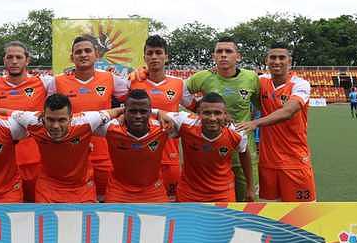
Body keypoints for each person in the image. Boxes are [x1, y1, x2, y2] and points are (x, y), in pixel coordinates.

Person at [4, 94, 123, 203]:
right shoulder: (32, 120)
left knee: (85, 225)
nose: (55, 126)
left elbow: (112, 112)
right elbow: (10, 113)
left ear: (71, 117)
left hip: (81, 187)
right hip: (48, 186)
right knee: (47, 225)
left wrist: (124, 114)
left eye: (61, 120)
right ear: (43, 116)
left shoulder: (87, 121)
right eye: (50, 119)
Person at [54, 35, 129, 200]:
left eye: (88, 51)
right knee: (75, 204)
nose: (83, 55)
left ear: (96, 54)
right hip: (71, 155)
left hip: (105, 154)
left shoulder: (110, 79)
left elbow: (134, 97)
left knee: (103, 201)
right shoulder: (57, 82)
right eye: (78, 52)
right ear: (71, 57)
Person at [185, 36, 259, 201]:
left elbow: (260, 105)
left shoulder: (251, 78)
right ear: (213, 57)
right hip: (212, 154)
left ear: (238, 56)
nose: (223, 55)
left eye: (228, 51)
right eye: (219, 51)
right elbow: (180, 91)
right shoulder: (203, 77)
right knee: (215, 204)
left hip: (243, 153)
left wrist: (251, 123)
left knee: (247, 205)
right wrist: (198, 108)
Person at [240, 43, 316, 202]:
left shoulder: (300, 84)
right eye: (273, 57)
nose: (277, 61)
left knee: (303, 214)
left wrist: (255, 123)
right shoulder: (260, 82)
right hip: (267, 163)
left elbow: (288, 112)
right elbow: (237, 79)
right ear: (266, 60)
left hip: (294, 161)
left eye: (282, 58)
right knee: (271, 214)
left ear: (289, 61)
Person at [127, 35, 194, 199]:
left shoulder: (179, 83)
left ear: (166, 56)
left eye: (158, 52)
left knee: (170, 205)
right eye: (150, 53)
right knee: (140, 202)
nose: (154, 57)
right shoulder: (132, 81)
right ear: (144, 57)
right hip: (139, 155)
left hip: (169, 155)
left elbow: (197, 107)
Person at [0, 41, 55, 201]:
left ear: (27, 60)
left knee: (37, 207)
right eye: (9, 57)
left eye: (18, 57)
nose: (14, 61)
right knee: (9, 210)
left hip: (36, 159)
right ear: (4, 60)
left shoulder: (45, 83)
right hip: (3, 161)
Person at [160, 92, 254, 203]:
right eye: (207, 113)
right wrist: (158, 112)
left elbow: (244, 154)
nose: (212, 118)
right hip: (189, 193)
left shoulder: (237, 133)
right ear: (198, 113)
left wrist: (250, 187)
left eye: (217, 113)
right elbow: (145, 111)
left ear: (225, 114)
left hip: (223, 193)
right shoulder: (185, 122)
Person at [96, 89, 170, 203]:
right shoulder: (111, 128)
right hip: (119, 191)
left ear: (150, 112)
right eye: (133, 111)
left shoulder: (162, 127)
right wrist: (117, 111)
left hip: (153, 190)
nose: (138, 116)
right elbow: (85, 121)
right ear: (125, 111)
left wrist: (159, 112)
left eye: (143, 111)